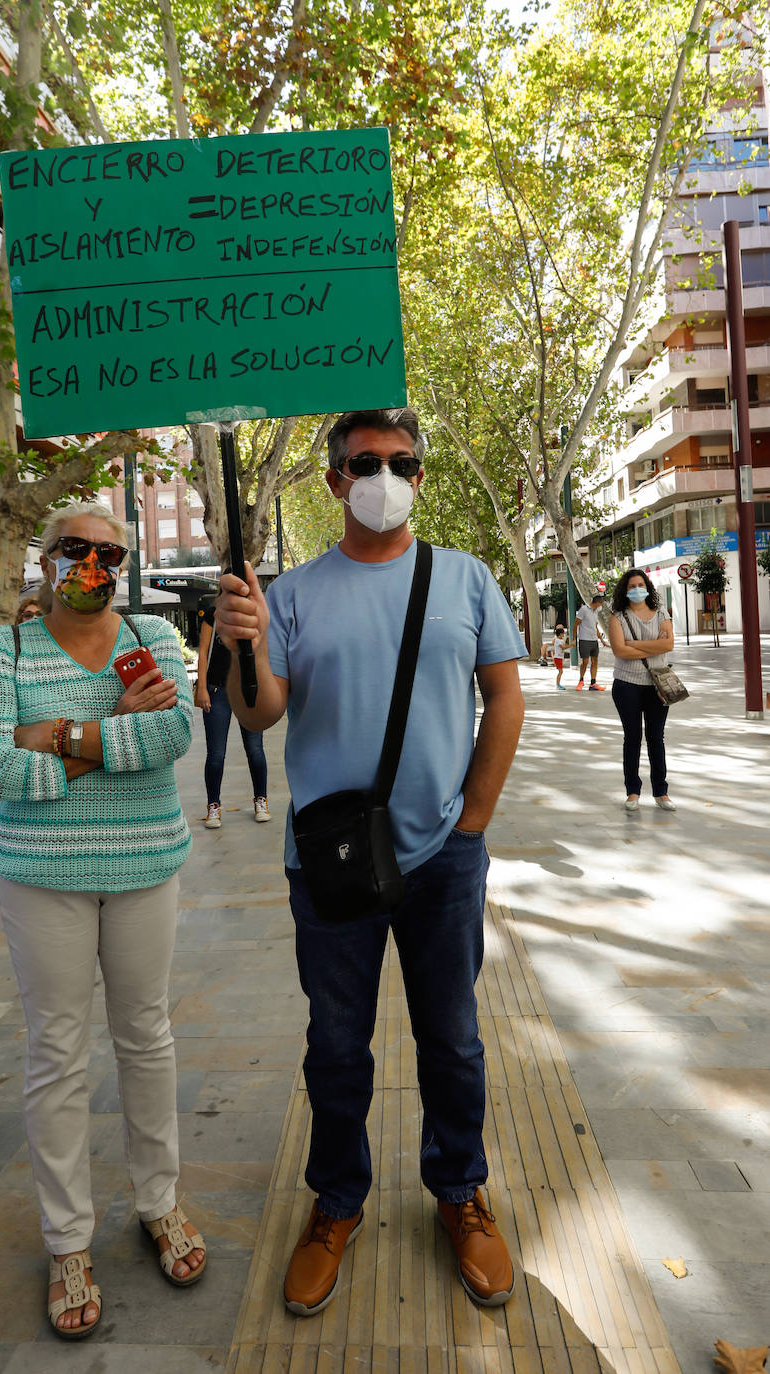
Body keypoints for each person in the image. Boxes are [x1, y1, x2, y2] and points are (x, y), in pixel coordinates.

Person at [216, 408, 526, 1316]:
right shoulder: (295, 593)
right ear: (334, 480)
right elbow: (260, 712)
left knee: (454, 1039)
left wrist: (472, 821)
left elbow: (503, 697)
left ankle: (460, 1191)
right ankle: (336, 1202)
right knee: (337, 1046)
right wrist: (243, 636)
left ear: (421, 475)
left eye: (402, 462)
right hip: (332, 860)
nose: (385, 475)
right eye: (365, 462)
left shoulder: (467, 578)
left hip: (441, 857)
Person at [0, 500, 206, 1341]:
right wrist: (105, 732)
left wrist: (55, 738)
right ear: (44, 560)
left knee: (147, 1037)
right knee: (56, 1051)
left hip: (145, 865)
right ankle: (68, 1239)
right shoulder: (9, 647)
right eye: (74, 548)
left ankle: (159, 1201)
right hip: (40, 878)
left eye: (109, 550)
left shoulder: (153, 636)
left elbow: (173, 734)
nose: (92, 563)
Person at [194, 598, 270, 827]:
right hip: (218, 690)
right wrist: (203, 690)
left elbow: (263, 654)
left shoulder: (254, 614)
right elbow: (204, 652)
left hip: (247, 691)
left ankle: (261, 799)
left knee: (255, 749)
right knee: (216, 754)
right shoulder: (214, 614)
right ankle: (213, 806)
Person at [607, 567, 676, 813]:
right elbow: (619, 651)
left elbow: (669, 643)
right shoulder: (618, 617)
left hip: (658, 685)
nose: (637, 589)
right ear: (625, 592)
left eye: (640, 585)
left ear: (647, 586)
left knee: (656, 738)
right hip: (627, 685)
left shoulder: (661, 613)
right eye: (631, 586)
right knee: (633, 739)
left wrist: (634, 643)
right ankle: (633, 791)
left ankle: (661, 792)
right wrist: (654, 646)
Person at [573, 593, 607, 690]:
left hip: (594, 640)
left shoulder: (595, 612)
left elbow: (595, 626)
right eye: (601, 604)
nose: (602, 606)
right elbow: (576, 624)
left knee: (595, 661)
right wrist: (574, 639)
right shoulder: (584, 609)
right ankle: (581, 681)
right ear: (597, 603)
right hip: (584, 640)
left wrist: (601, 640)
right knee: (585, 661)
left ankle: (593, 683)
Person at [542, 624, 570, 689]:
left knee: (561, 671)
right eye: (563, 634)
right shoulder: (557, 641)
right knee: (560, 671)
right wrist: (571, 645)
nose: (564, 635)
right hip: (557, 658)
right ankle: (558, 685)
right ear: (560, 634)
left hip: (560, 657)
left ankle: (558, 684)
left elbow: (564, 646)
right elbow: (563, 647)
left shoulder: (561, 641)